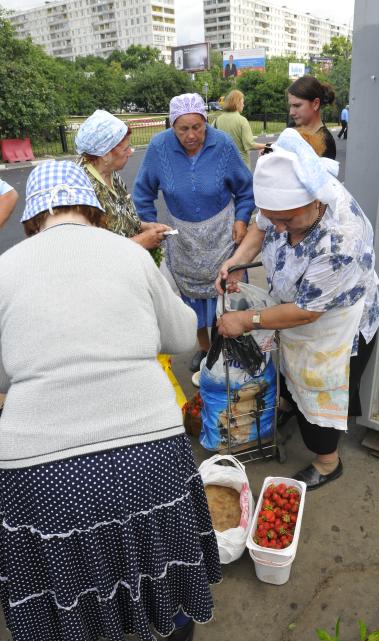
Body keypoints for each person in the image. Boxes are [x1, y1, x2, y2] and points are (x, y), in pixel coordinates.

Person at [0, 160, 221, 641]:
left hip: (38, 470)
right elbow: (184, 335)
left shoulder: (4, 267)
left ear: (33, 218)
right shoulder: (129, 255)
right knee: (160, 559)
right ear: (94, 210)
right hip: (147, 450)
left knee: (69, 582)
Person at [216, 128, 379, 491]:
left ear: (316, 201)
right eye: (273, 217)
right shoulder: (284, 202)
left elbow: (307, 312)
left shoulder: (342, 238)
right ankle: (292, 405)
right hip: (295, 310)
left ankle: (327, 462)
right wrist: (237, 261)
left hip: (335, 324)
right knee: (292, 375)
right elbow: (260, 228)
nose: (277, 227)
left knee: (321, 388)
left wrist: (245, 320)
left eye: (287, 221)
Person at [133, 93, 255, 374]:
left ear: (206, 122)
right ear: (172, 126)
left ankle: (228, 348)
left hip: (223, 235)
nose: (191, 135)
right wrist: (150, 227)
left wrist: (242, 218)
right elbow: (143, 193)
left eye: (197, 127)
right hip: (184, 239)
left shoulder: (222, 144)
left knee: (227, 294)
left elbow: (245, 190)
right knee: (193, 302)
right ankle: (205, 349)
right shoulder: (159, 147)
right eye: (183, 129)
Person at [75, 109, 170, 262]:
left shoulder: (109, 172)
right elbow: (91, 252)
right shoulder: (81, 189)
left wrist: (144, 227)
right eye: (125, 148)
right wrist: (140, 241)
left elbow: (121, 218)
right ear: (105, 154)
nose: (130, 152)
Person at [287, 75, 337, 159]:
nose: (291, 112)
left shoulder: (326, 142)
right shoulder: (292, 128)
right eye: (291, 106)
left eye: (297, 105)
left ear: (315, 104)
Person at [214, 90, 266, 169]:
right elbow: (250, 144)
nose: (243, 105)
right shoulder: (242, 120)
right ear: (237, 103)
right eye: (242, 102)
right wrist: (267, 146)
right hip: (241, 165)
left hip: (223, 165)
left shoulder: (218, 120)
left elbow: (211, 137)